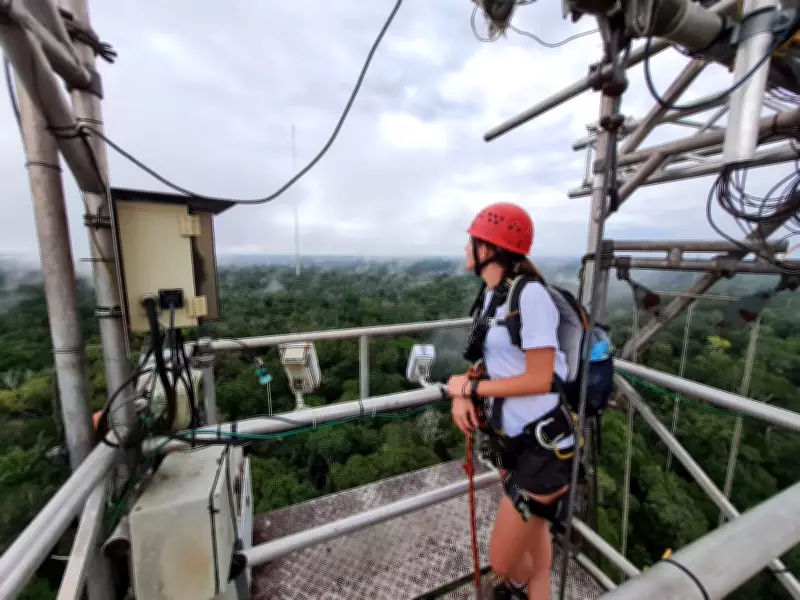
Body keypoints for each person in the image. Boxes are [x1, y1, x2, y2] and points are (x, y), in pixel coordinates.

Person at [447, 201, 578, 600]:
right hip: (512, 441)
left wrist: (470, 390)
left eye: (470, 243)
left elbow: (539, 378)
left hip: (543, 446)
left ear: (487, 249)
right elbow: (501, 363)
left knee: (503, 564)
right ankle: (528, 592)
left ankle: (516, 587)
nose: (465, 250)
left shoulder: (530, 295)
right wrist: (468, 388)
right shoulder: (493, 296)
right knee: (535, 544)